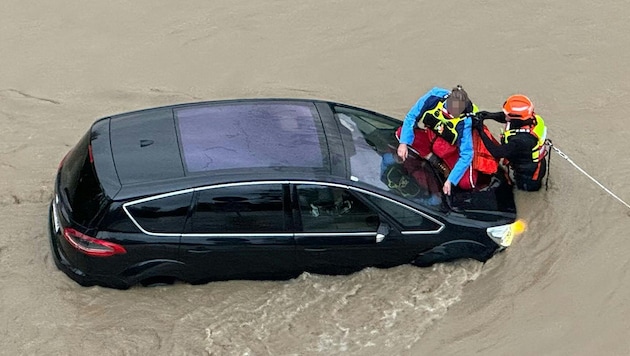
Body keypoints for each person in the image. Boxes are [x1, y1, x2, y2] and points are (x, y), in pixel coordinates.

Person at [396, 85, 478, 195]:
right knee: (401, 134)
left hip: (451, 150)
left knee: (468, 183)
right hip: (431, 137)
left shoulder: (465, 121)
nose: (454, 116)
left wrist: (450, 180)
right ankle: (434, 159)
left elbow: (467, 153)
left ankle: (447, 167)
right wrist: (403, 143)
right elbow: (411, 117)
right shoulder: (433, 97)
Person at [474, 94, 549, 191]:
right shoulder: (531, 119)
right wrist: (489, 115)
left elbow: (497, 152)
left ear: (516, 118)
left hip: (529, 176)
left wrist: (481, 132)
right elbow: (506, 118)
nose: (504, 115)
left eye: (507, 113)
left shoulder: (523, 140)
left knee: (524, 192)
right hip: (529, 163)